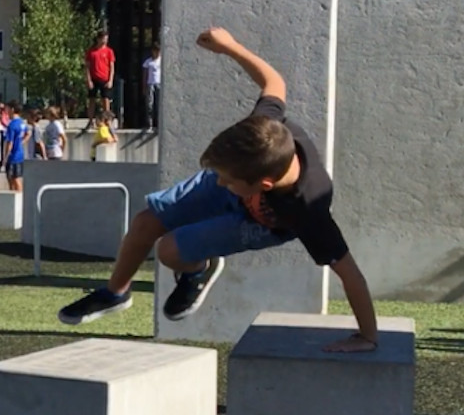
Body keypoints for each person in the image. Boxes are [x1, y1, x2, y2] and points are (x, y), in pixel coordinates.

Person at [58, 27, 379, 354]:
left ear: (263, 186)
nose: (220, 183)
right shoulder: (264, 132)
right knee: (144, 223)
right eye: (218, 175)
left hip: (263, 222)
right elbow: (275, 82)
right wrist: (230, 47)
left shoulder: (307, 211)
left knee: (169, 251)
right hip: (242, 172)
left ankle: (198, 270)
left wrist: (367, 336)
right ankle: (116, 293)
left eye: (226, 180)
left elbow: (350, 273)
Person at [84, 30, 115, 126]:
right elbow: (87, 67)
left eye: (106, 39)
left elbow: (112, 67)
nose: (104, 41)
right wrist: (88, 80)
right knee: (92, 99)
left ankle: (107, 120)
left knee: (105, 100)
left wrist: (110, 80)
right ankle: (90, 121)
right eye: (103, 39)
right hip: (94, 78)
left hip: (104, 78)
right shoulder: (91, 51)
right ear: (98, 39)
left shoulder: (109, 51)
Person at [1, 101, 29, 192]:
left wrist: (5, 157)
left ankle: (17, 198)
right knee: (18, 177)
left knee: (13, 179)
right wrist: (21, 142)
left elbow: (10, 143)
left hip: (13, 156)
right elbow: (28, 133)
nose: (6, 111)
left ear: (12, 109)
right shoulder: (22, 122)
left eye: (7, 109)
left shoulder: (12, 125)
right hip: (20, 154)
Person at [143, 42, 162, 133]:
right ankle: (149, 124)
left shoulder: (162, 61)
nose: (157, 53)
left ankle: (159, 124)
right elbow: (145, 74)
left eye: (158, 51)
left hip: (159, 84)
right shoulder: (148, 62)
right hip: (150, 84)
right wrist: (144, 86)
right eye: (155, 51)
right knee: (150, 104)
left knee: (159, 104)